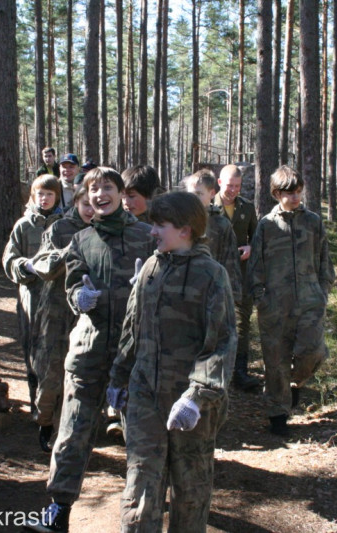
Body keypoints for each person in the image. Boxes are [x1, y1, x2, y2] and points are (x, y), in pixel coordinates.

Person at [28, 167, 154, 532]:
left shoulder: (146, 237)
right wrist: (79, 298)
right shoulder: (81, 240)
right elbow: (70, 286)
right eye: (93, 188)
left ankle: (141, 515)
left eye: (108, 187)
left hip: (134, 355)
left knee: (141, 437)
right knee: (72, 432)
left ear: (120, 192)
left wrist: (145, 285)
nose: (101, 194)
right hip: (90, 350)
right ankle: (58, 510)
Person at [107, 191, 237, 532]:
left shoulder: (211, 275)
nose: (152, 232)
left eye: (160, 226)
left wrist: (196, 396)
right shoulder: (150, 267)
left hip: (192, 407)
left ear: (185, 229)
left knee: (190, 491)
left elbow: (222, 343)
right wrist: (119, 379)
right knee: (140, 486)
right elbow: (131, 328)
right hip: (145, 397)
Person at [247, 166, 335, 436]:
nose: (295, 198)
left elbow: (324, 260)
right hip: (275, 305)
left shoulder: (313, 222)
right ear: (276, 193)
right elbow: (255, 265)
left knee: (313, 351)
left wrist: (322, 291)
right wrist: (261, 298)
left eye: (298, 192)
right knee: (276, 362)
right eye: (289, 193)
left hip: (309, 301)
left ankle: (295, 383)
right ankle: (277, 414)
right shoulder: (267, 225)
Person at [28, 186, 94, 452]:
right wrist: (71, 250)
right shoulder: (59, 229)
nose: (91, 209)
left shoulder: (106, 230)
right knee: (52, 372)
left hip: (88, 313)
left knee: (82, 373)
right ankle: (45, 422)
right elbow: (44, 266)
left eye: (95, 204)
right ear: (76, 202)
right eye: (85, 203)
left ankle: (73, 428)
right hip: (56, 311)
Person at [2, 175, 64, 421]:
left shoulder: (65, 225)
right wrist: (24, 266)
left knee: (58, 352)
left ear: (57, 196)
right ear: (32, 196)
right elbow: (9, 258)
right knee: (32, 353)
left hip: (59, 300)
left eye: (50, 194)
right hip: (30, 299)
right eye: (40, 193)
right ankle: (36, 406)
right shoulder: (23, 225)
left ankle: (56, 409)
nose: (45, 198)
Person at [212, 164, 260, 391]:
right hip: (214, 275)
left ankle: (240, 372)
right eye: (230, 185)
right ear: (220, 183)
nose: (233, 191)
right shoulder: (208, 207)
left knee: (242, 323)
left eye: (237, 186)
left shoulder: (247, 208)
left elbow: (257, 237)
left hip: (241, 276)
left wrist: (251, 248)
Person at [182, 169, 243, 304]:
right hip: (182, 290)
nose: (194, 198)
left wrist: (232, 297)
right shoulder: (179, 222)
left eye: (199, 194)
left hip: (212, 292)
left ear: (211, 193)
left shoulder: (221, 224)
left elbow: (231, 263)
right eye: (191, 194)